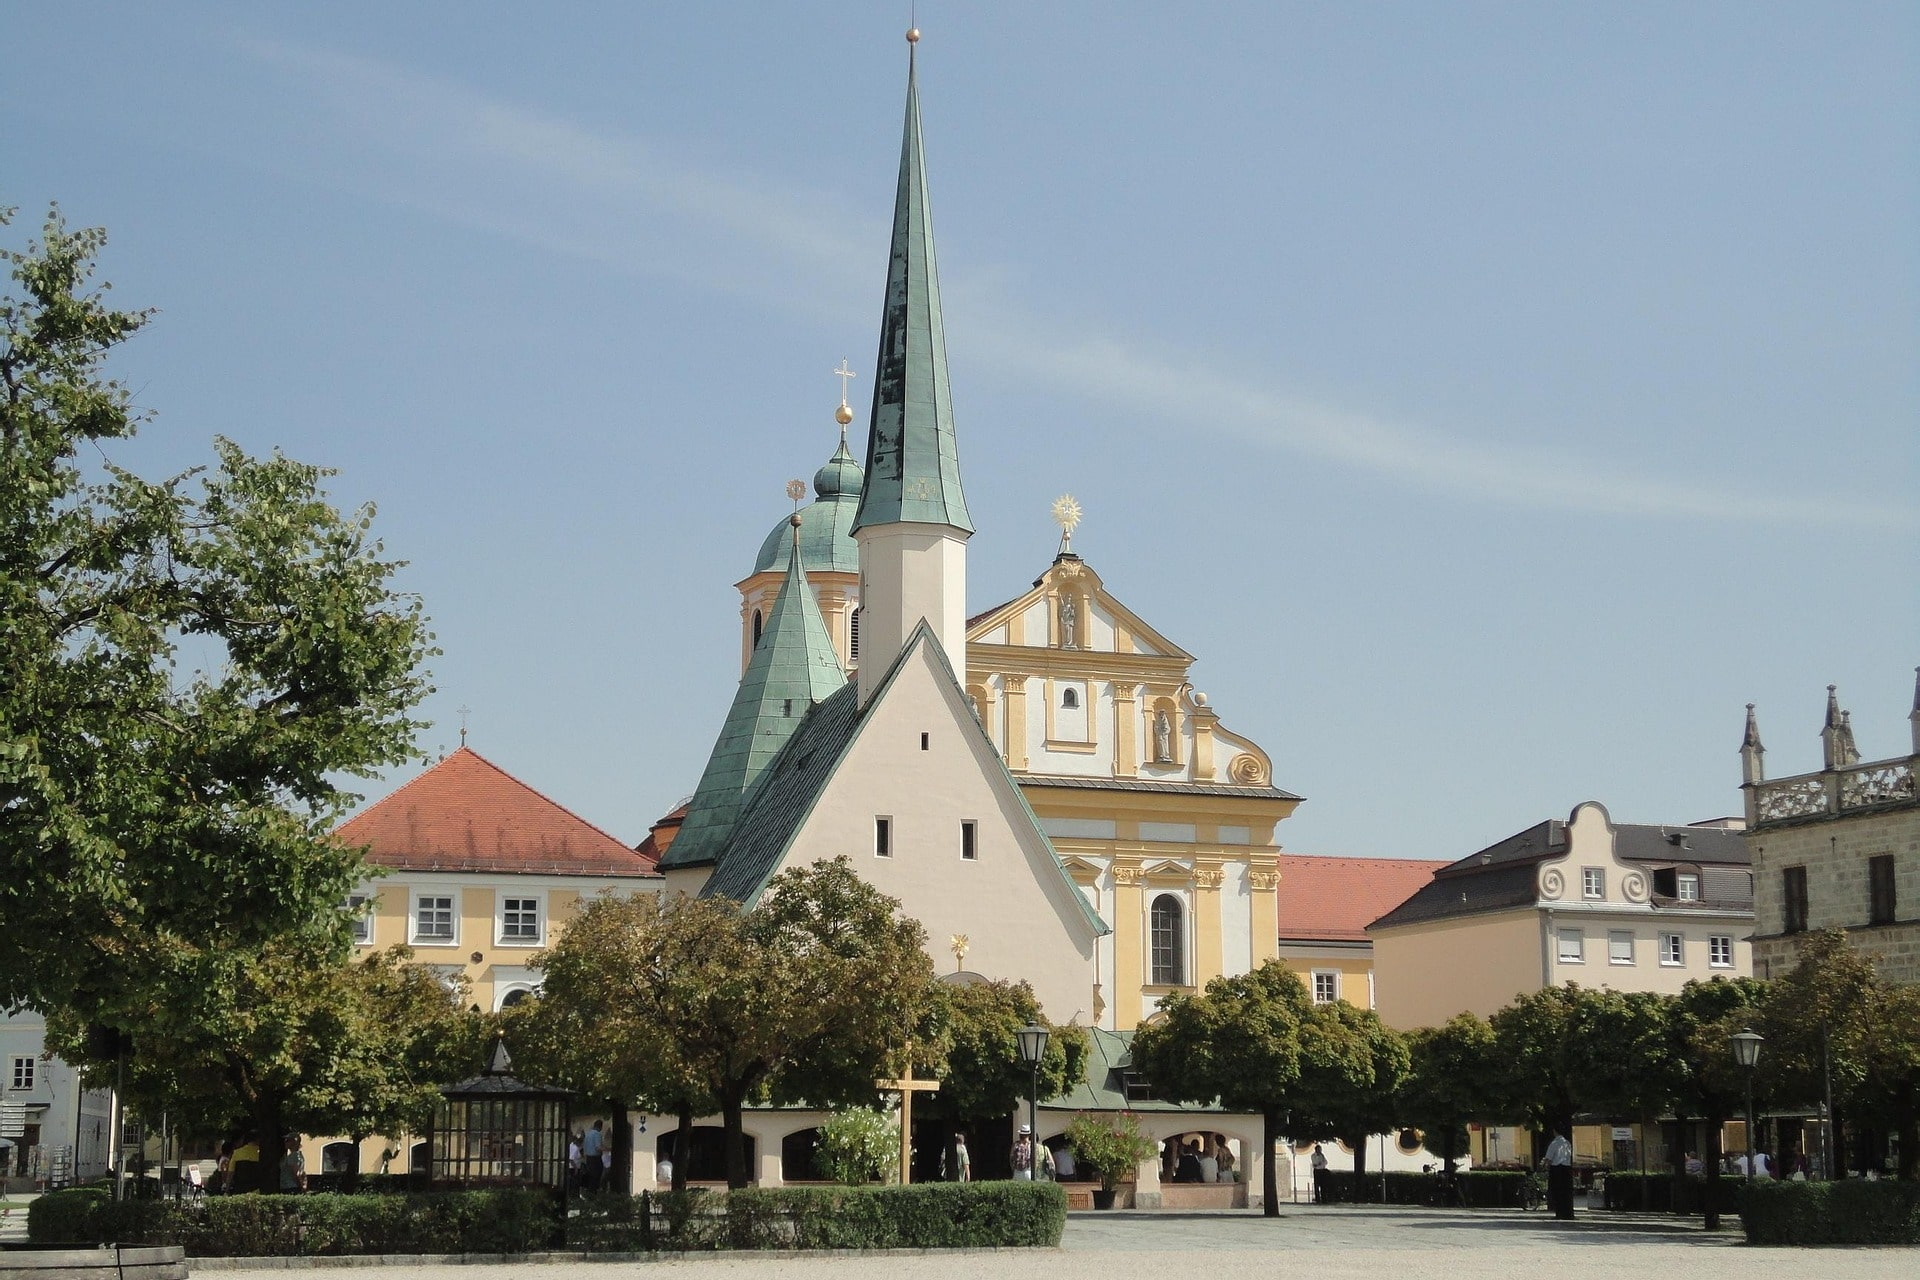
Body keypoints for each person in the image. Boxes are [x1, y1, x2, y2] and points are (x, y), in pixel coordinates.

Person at [1542, 1130, 1573, 1220]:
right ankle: (1567, 1213)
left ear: (1555, 1131)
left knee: (1557, 1191)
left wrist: (1545, 1167)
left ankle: (1559, 1213)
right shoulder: (1567, 1143)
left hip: (1556, 1169)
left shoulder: (1554, 1143)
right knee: (1565, 1192)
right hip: (1566, 1169)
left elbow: (1549, 1158)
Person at [581, 1120, 605, 1192]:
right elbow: (598, 1147)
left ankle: (589, 1193)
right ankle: (594, 1192)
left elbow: (584, 1147)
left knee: (590, 1177)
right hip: (595, 1158)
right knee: (596, 1177)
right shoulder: (597, 1134)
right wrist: (608, 1149)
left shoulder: (588, 1134)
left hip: (588, 1158)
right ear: (600, 1127)